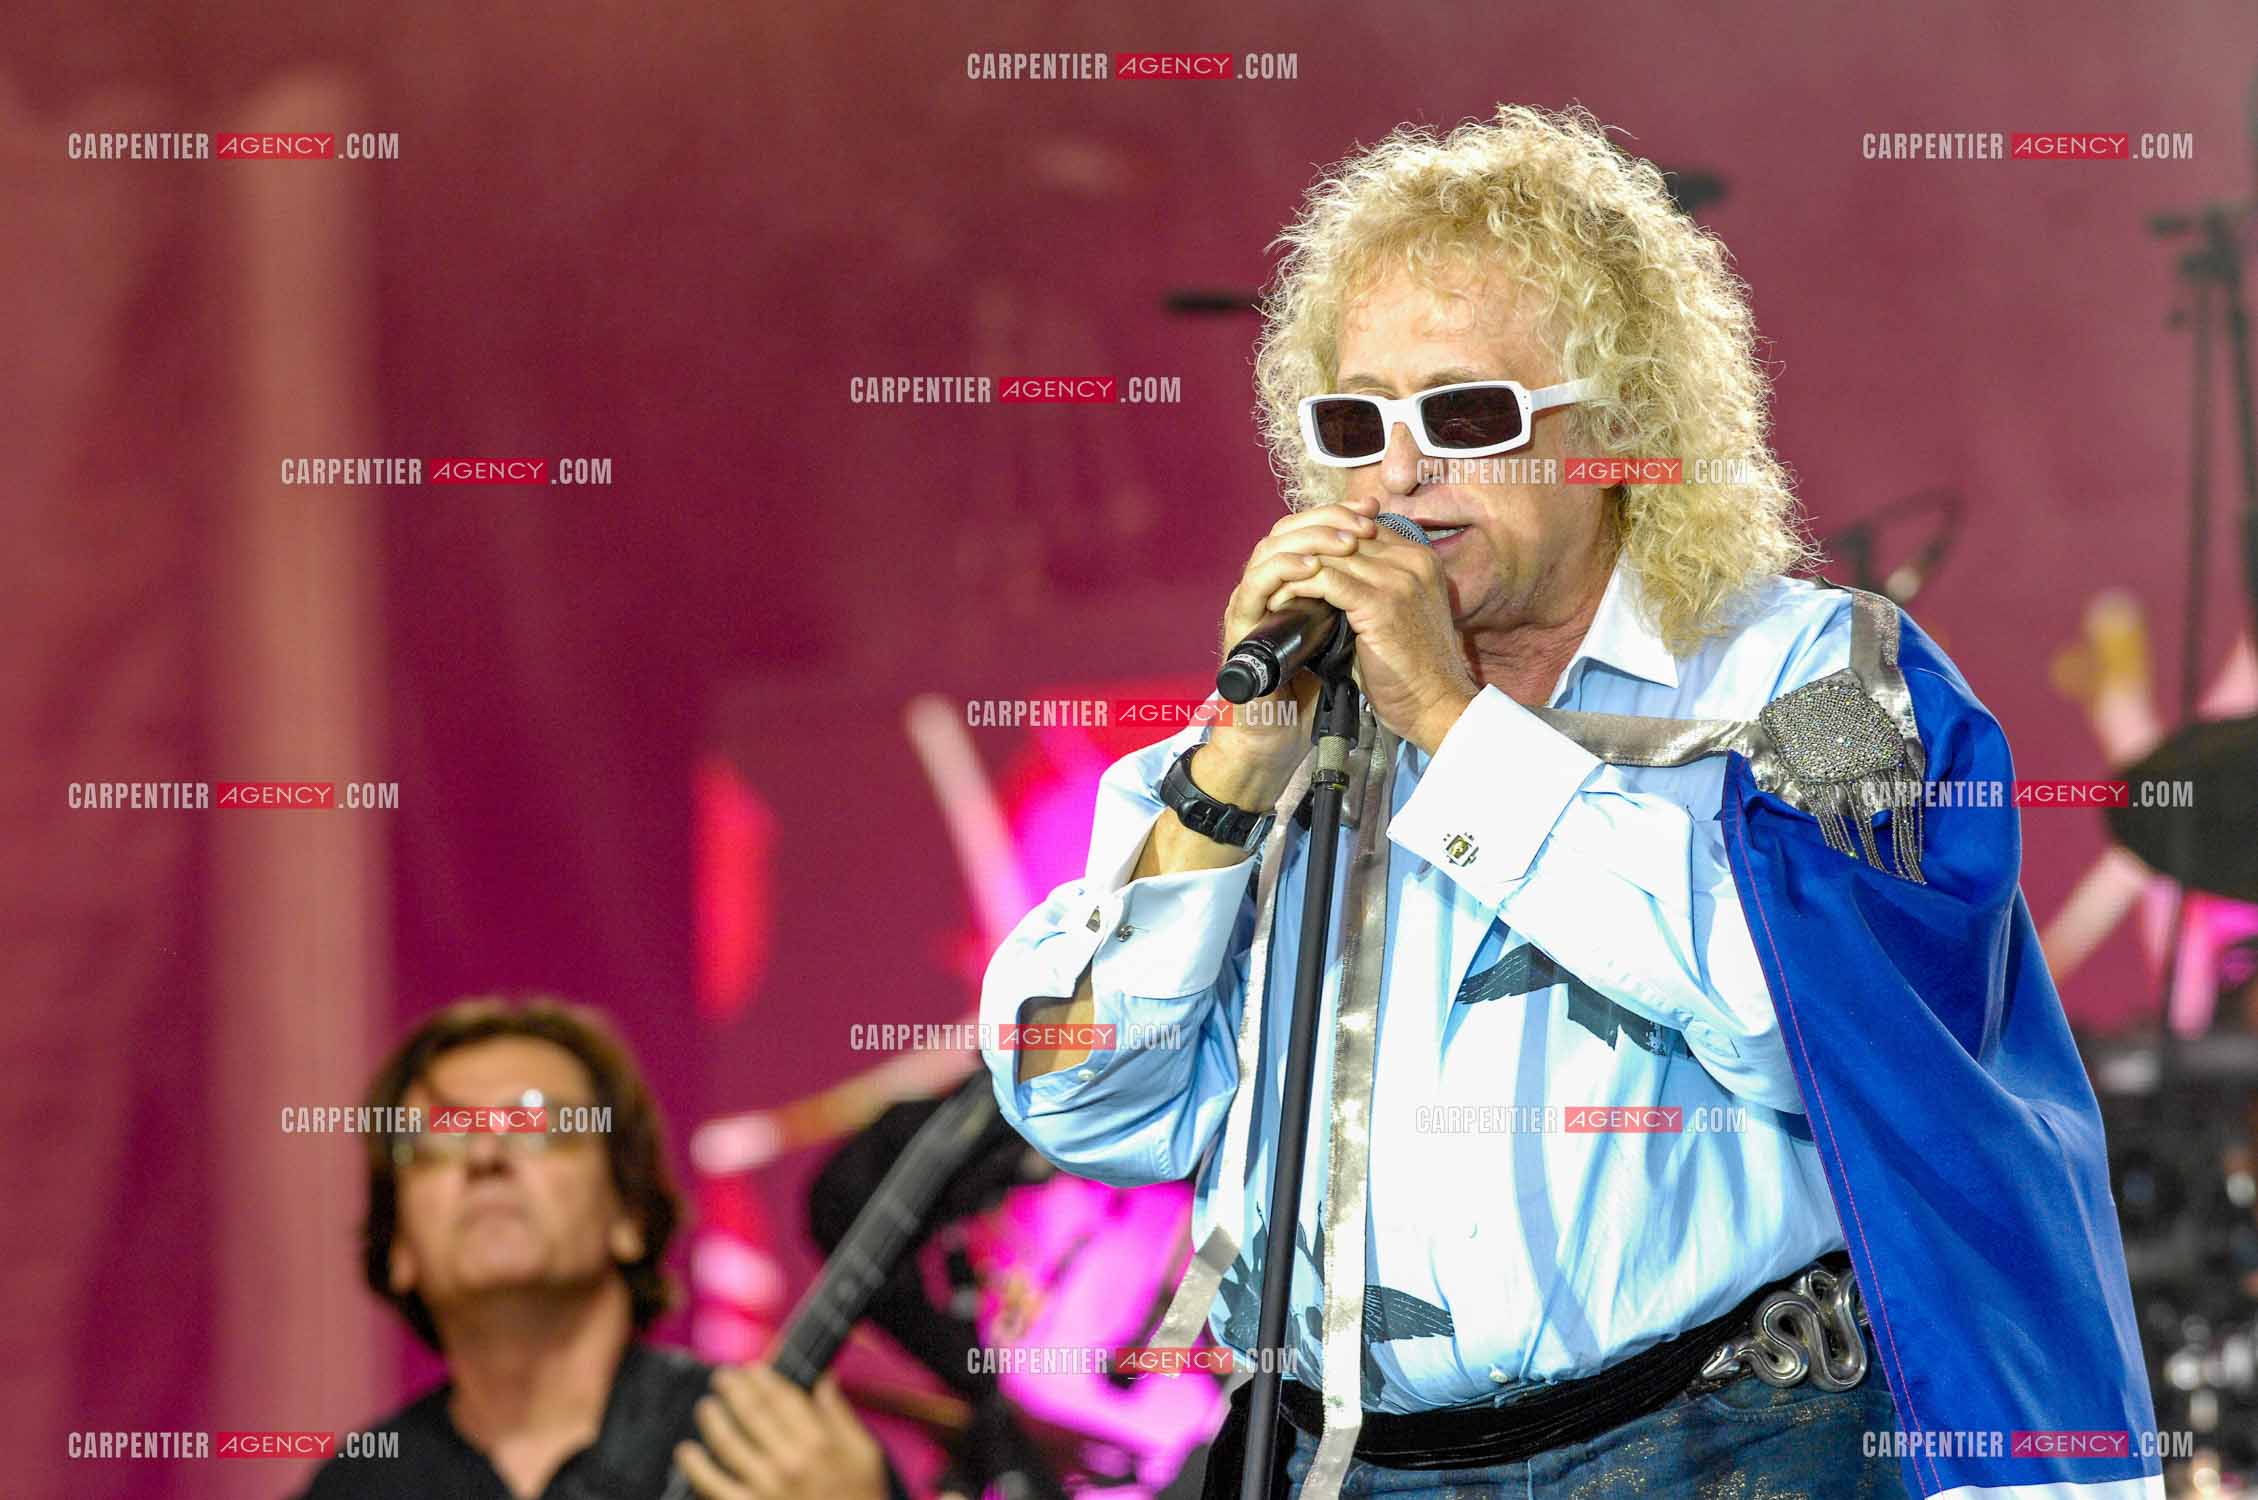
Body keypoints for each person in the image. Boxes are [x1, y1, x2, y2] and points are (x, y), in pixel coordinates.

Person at [978, 105, 2160, 1500]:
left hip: (1732, 1448)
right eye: (1355, 420)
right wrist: (1231, 777)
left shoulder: (1816, 672)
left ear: (1616, 432)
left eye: (1465, 415)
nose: (1399, 472)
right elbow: (1077, 1101)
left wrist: (1457, 731)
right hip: (1355, 1464)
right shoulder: (1278, 725)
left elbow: (1815, 1030)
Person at [296, 996, 904, 1500]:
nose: (485, 1157)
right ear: (397, 1245)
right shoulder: (356, 1487)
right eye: (438, 1140)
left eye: (538, 1126)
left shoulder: (776, 1451)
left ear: (629, 1213)